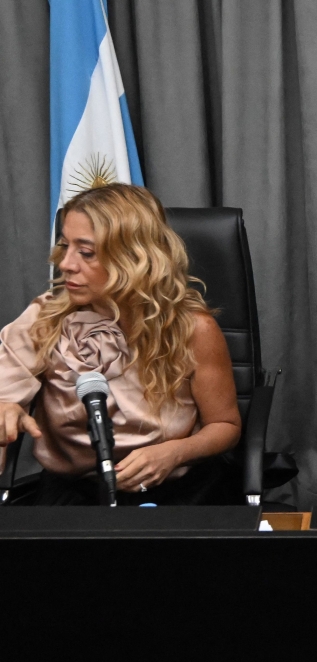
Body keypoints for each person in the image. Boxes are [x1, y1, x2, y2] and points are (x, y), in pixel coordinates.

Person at [0, 184, 241, 505]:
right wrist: (5, 410)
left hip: (178, 489)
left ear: (133, 257)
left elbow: (225, 425)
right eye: (64, 246)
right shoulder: (44, 318)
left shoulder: (192, 328)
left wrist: (174, 453)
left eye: (86, 252)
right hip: (75, 492)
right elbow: (4, 402)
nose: (66, 264)